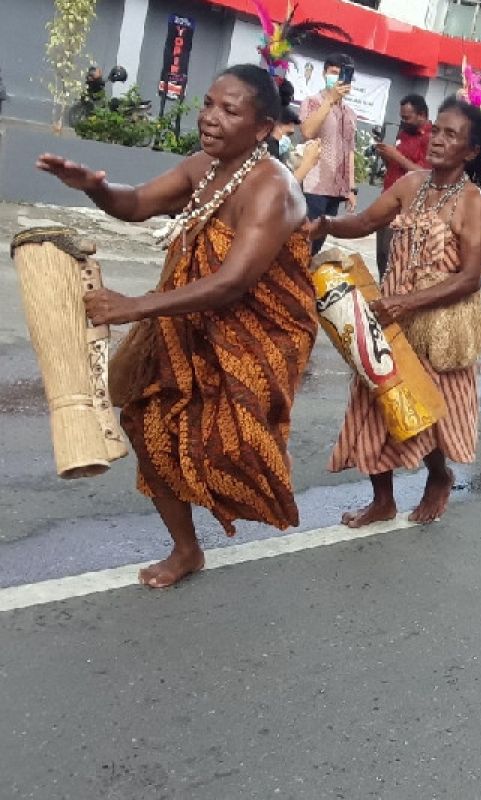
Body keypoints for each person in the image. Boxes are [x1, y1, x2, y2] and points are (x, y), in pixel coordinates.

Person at [35, 65, 318, 588]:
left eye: (229, 110)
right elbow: (138, 203)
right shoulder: (206, 166)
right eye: (209, 103)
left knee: (227, 445)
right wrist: (96, 187)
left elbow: (233, 283)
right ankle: (186, 550)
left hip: (258, 334)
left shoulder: (270, 188)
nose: (210, 118)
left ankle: (231, 502)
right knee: (145, 420)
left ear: (262, 128)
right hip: (187, 317)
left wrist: (134, 306)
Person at [310, 97, 481, 525]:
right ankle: (383, 500)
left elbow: (469, 278)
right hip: (390, 309)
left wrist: (403, 303)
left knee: (423, 412)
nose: (438, 140)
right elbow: (365, 222)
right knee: (375, 402)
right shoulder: (413, 185)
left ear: (470, 151)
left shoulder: (473, 202)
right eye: (438, 130)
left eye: (452, 135)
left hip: (437, 321)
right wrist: (324, 224)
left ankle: (438, 475)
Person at [300, 53, 358, 254]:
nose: (339, 77)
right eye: (335, 72)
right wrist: (329, 101)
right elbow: (307, 132)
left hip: (337, 190)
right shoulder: (312, 102)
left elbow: (350, 150)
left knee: (317, 244)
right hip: (313, 185)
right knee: (303, 239)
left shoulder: (350, 113)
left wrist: (351, 188)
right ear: (325, 73)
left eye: (344, 74)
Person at [375, 94, 432, 278]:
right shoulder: (404, 133)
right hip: (388, 198)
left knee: (391, 252)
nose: (403, 121)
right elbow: (395, 167)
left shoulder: (430, 138)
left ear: (422, 115)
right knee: (381, 254)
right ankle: (383, 291)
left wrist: (396, 156)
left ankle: (391, 294)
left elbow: (424, 174)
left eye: (407, 117)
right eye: (401, 117)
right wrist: (385, 154)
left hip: (406, 207)